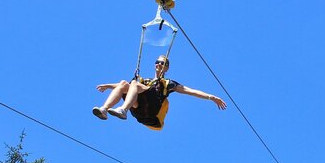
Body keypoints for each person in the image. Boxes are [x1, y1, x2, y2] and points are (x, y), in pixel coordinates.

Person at [93, 55, 226, 129]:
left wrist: (210, 97)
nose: (159, 64)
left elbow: (188, 90)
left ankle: (123, 110)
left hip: (151, 111)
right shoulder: (144, 81)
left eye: (162, 63)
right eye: (157, 62)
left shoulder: (168, 84)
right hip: (139, 110)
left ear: (167, 68)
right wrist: (108, 85)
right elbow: (123, 86)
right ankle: (104, 110)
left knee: (134, 83)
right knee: (123, 83)